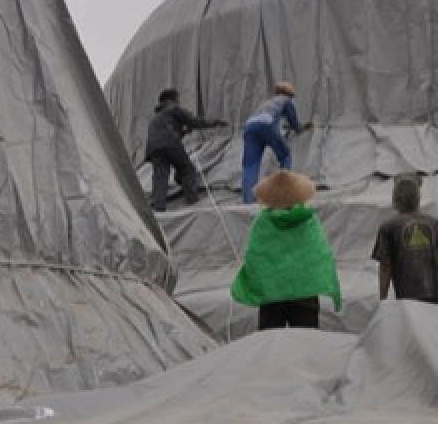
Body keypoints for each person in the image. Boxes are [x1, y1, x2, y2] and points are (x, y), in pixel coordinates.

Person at [231, 170, 341, 329]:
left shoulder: (262, 223)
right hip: (305, 294)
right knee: (306, 342)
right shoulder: (308, 221)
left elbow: (255, 258)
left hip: (271, 296)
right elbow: (321, 257)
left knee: (271, 344)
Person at [372, 174, 438, 305]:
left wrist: (383, 300)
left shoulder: (388, 227)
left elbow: (385, 267)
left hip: (409, 299)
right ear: (418, 197)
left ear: (395, 198)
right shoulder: (437, 225)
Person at [144, 88, 228, 211]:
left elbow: (164, 131)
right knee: (186, 169)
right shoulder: (174, 108)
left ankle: (159, 209)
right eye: (177, 99)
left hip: (154, 149)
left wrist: (183, 132)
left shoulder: (155, 118)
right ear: (172, 99)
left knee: (160, 178)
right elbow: (193, 121)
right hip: (170, 144)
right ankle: (193, 201)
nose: (179, 102)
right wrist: (214, 123)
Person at [241, 81, 313, 204]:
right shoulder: (287, 101)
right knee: (285, 155)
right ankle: (284, 194)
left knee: (250, 165)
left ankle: (249, 201)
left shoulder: (267, 102)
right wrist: (304, 127)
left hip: (250, 127)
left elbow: (267, 119)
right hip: (267, 125)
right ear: (289, 94)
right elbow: (294, 125)